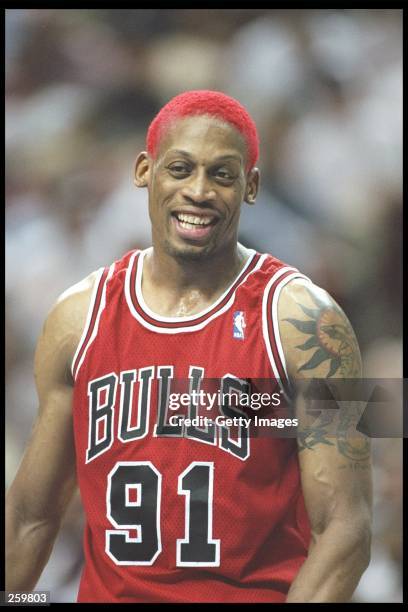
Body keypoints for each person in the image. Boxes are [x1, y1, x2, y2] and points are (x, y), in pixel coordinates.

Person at [6, 90, 372, 603]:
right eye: (180, 169)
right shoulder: (76, 317)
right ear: (143, 171)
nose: (198, 191)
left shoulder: (309, 323)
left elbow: (346, 530)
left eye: (222, 174)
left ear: (251, 186)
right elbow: (30, 516)